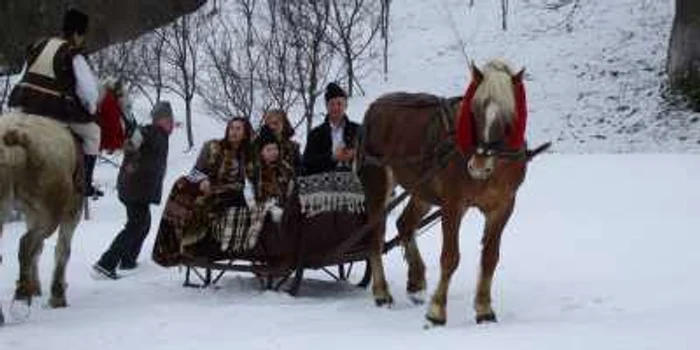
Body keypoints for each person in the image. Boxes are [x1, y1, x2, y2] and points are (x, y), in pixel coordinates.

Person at [8, 8, 103, 197]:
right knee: (94, 133)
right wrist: (91, 109)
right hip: (53, 111)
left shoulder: (39, 45)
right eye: (82, 35)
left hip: (25, 106)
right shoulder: (73, 54)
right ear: (77, 33)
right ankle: (85, 184)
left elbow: (23, 76)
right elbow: (89, 93)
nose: (82, 40)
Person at [92, 101, 174, 279]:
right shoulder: (150, 132)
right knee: (135, 226)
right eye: (168, 120)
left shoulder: (160, 135)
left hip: (138, 189)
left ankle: (128, 260)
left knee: (143, 224)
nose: (171, 124)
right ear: (159, 120)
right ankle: (105, 264)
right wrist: (131, 144)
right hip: (134, 189)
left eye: (171, 120)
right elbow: (134, 141)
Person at [302, 82, 360, 175]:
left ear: (345, 106)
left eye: (339, 104)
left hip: (353, 182)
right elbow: (307, 164)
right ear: (326, 106)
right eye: (332, 104)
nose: (335, 108)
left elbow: (371, 156)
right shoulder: (316, 134)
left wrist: (355, 154)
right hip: (324, 184)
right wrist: (332, 157)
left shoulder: (358, 130)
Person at [249, 125, 295, 222]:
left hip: (284, 210)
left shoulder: (286, 169)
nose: (273, 153)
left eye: (275, 149)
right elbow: (250, 196)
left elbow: (291, 191)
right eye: (268, 150)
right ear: (261, 152)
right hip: (260, 211)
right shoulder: (253, 170)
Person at [261, 109, 302, 173]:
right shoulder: (258, 146)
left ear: (283, 124)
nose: (272, 127)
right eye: (269, 124)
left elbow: (299, 171)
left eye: (275, 123)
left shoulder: (293, 147)